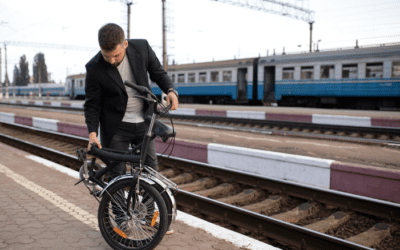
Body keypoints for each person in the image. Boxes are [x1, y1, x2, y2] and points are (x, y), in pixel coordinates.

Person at [83, 23, 178, 234]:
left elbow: (158, 73)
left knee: (150, 172)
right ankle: (122, 221)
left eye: (116, 55)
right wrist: (92, 133)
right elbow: (92, 104)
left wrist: (170, 90)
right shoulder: (95, 67)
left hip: (145, 123)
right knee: (117, 174)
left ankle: (149, 221)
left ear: (125, 44)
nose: (112, 60)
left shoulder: (141, 48)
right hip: (116, 127)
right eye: (107, 56)